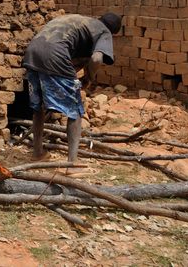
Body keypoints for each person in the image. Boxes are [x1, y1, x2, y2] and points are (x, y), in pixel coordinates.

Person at [23, 12, 122, 166]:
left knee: (39, 107)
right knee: (75, 110)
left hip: (32, 52)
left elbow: (71, 48)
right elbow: (96, 59)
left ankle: (37, 153)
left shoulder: (81, 20)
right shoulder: (104, 32)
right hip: (55, 55)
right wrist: (89, 77)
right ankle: (72, 164)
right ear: (114, 32)